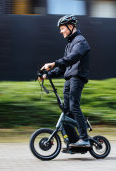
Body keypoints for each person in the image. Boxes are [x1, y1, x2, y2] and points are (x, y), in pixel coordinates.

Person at [40, 14, 91, 147]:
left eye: (62, 28)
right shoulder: (69, 45)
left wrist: (53, 63)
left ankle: (84, 138)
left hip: (78, 77)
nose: (61, 31)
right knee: (66, 111)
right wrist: (48, 75)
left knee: (74, 105)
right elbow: (64, 66)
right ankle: (74, 141)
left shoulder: (80, 41)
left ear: (71, 26)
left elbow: (73, 58)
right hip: (69, 79)